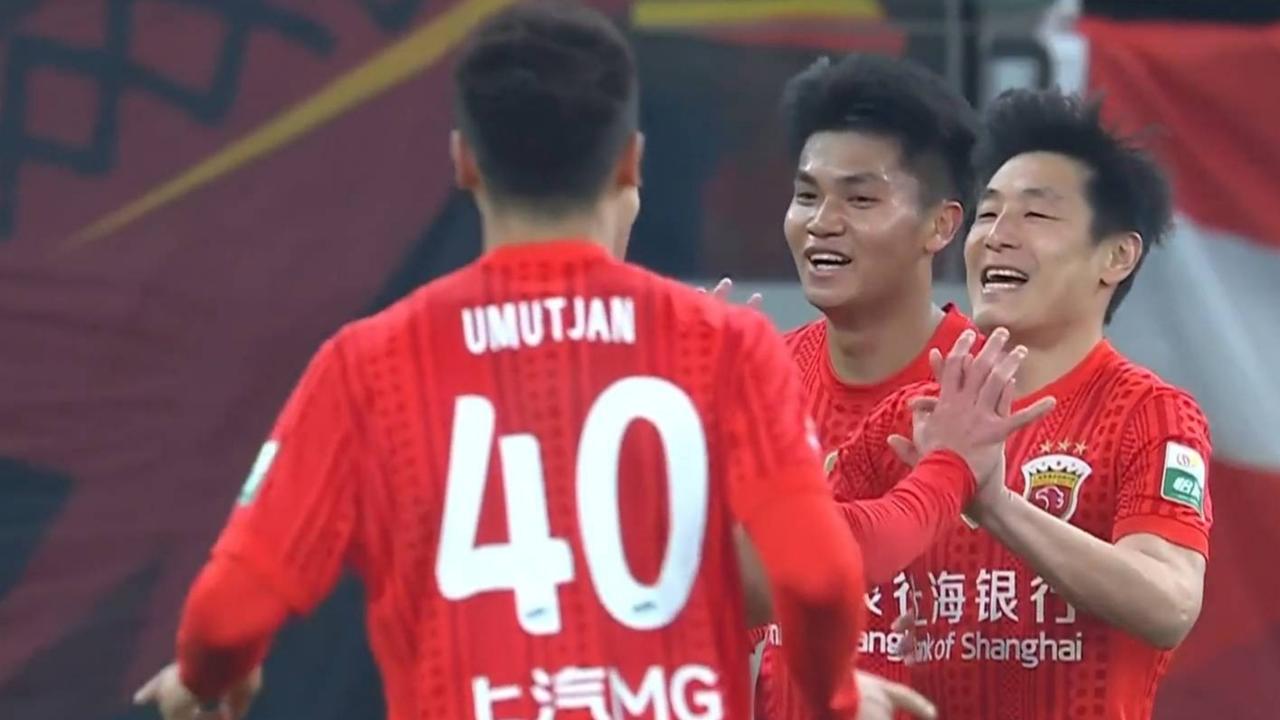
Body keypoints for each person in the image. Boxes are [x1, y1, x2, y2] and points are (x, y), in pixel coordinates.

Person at [129, 3, 942, 719]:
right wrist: (836, 696)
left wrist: (207, 679)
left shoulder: (369, 363)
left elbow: (225, 614)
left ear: (463, 163)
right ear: (630, 162)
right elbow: (819, 579)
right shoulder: (725, 346)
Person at [833, 88, 1212, 719]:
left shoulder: (1151, 414)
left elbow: (1168, 604)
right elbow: (781, 568)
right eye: (987, 214)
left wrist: (996, 505)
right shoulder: (909, 418)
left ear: (1116, 256)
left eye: (1036, 215)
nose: (996, 237)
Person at [745, 52, 982, 720]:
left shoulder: (991, 396)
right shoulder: (756, 385)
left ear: (941, 225)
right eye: (807, 195)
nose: (822, 221)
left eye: (860, 198)